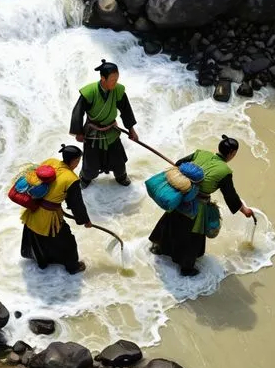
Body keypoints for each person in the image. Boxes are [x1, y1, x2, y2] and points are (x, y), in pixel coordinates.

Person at [148, 135, 254, 277]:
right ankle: (186, 268)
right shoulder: (225, 172)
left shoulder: (201, 153)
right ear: (232, 153)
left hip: (179, 197)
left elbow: (179, 163)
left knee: (170, 222)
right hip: (196, 207)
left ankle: (159, 248)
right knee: (192, 236)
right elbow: (230, 196)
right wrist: (244, 210)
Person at [8, 144, 92, 274]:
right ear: (75, 161)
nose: (77, 164)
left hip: (33, 210)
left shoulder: (51, 162)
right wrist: (85, 220)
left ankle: (42, 263)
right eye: (78, 161)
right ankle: (73, 267)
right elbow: (76, 204)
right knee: (67, 241)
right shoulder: (72, 179)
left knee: (38, 237)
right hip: (49, 217)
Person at [69, 59, 139, 189]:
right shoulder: (90, 92)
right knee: (90, 163)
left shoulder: (118, 90)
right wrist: (78, 132)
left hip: (111, 131)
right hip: (92, 133)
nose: (115, 83)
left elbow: (126, 110)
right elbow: (78, 112)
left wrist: (131, 130)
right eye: (112, 80)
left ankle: (121, 176)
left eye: (116, 79)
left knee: (118, 161)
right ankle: (85, 177)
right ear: (103, 78)